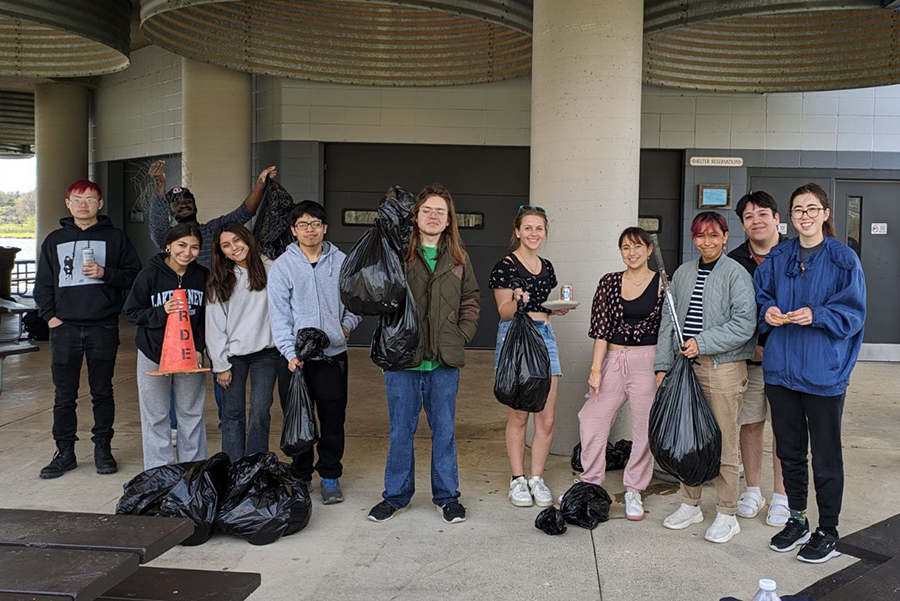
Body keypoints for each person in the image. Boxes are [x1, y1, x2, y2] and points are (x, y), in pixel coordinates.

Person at [756, 183, 866, 563]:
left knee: (825, 454)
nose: (805, 215)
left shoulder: (843, 258)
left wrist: (817, 315)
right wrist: (769, 311)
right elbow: (762, 294)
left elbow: (853, 314)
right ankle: (797, 518)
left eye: (812, 208)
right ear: (790, 217)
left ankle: (828, 530)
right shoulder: (779, 255)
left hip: (823, 373)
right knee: (788, 451)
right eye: (798, 209)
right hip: (781, 371)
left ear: (825, 214)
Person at [367, 183, 480, 524]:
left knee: (444, 430)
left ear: (449, 221)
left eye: (440, 212)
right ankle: (396, 496)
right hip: (403, 358)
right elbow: (379, 293)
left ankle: (447, 497)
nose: (433, 217)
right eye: (427, 210)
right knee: (401, 430)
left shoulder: (459, 258)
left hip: (444, 359)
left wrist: (462, 334)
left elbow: (471, 299)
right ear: (415, 216)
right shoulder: (399, 252)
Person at [147, 160, 276, 436]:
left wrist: (260, 183)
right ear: (171, 210)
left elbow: (245, 212)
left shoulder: (213, 230)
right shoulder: (168, 237)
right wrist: (159, 188)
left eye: (187, 199)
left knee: (223, 366)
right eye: (177, 202)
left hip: (217, 311)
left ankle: (226, 419)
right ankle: (173, 425)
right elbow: (156, 225)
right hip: (185, 315)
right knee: (177, 366)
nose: (183, 204)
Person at [656, 211, 757, 544]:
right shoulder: (683, 273)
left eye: (714, 235)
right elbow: (669, 323)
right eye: (700, 236)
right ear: (693, 239)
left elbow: (744, 324)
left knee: (724, 445)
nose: (707, 242)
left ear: (726, 238)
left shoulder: (736, 274)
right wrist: (662, 366)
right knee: (689, 439)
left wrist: (704, 342)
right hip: (686, 370)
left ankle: (727, 513)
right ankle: (691, 503)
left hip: (722, 369)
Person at [34, 179, 141, 479]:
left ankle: (103, 449)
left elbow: (134, 276)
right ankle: (64, 452)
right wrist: (50, 317)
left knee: (102, 391)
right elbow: (43, 284)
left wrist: (105, 273)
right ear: (68, 203)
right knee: (64, 395)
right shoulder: (54, 240)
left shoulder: (116, 238)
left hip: (103, 326)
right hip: (64, 328)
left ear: (100, 203)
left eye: (90, 199)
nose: (84, 204)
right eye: (77, 198)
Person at [268, 200, 360, 505]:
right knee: (300, 417)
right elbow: (279, 315)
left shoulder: (342, 261)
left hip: (333, 356)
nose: (311, 230)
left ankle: (330, 475)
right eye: (304, 225)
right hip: (297, 360)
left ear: (325, 228)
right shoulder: (283, 266)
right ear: (294, 231)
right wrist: (288, 352)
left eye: (316, 224)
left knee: (333, 417)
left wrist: (345, 328)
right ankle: (302, 474)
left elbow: (356, 301)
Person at [489, 205, 570, 508]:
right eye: (528, 228)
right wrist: (517, 299)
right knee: (520, 414)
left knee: (546, 418)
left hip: (546, 337)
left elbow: (546, 304)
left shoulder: (547, 266)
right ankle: (517, 480)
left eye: (539, 228)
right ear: (518, 231)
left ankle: (537, 478)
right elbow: (504, 312)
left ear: (544, 232)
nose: (533, 233)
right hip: (516, 339)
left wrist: (557, 308)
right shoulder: (505, 266)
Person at [580, 227, 664, 521]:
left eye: (638, 246)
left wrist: (663, 367)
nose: (632, 253)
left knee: (644, 430)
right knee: (591, 419)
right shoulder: (609, 282)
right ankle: (590, 482)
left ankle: (634, 490)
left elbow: (667, 330)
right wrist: (595, 369)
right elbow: (601, 330)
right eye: (626, 247)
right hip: (613, 358)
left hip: (648, 360)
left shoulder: (662, 283)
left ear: (649, 250)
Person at [124, 223, 209, 470]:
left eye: (194, 247)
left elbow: (205, 317)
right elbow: (131, 312)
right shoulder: (149, 275)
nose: (187, 252)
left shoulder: (202, 276)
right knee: (156, 415)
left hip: (189, 355)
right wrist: (162, 312)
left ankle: (193, 471)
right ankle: (159, 472)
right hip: (153, 352)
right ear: (168, 246)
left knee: (191, 414)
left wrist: (200, 347)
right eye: (182, 245)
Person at [727, 191, 789, 527]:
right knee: (750, 423)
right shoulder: (735, 260)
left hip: (788, 360)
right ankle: (752, 489)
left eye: (763, 214)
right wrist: (749, 346)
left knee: (785, 427)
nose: (756, 221)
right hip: (749, 359)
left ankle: (781, 493)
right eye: (749, 217)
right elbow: (727, 310)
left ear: (777, 218)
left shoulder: (795, 255)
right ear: (742, 225)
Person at [206, 223, 278, 462]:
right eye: (226, 245)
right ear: (221, 252)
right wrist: (221, 365)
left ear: (247, 239)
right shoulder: (220, 279)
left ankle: (255, 465)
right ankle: (233, 465)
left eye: (237, 240)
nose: (234, 248)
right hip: (232, 356)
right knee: (232, 413)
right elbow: (214, 325)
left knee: (260, 410)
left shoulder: (272, 269)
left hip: (266, 354)